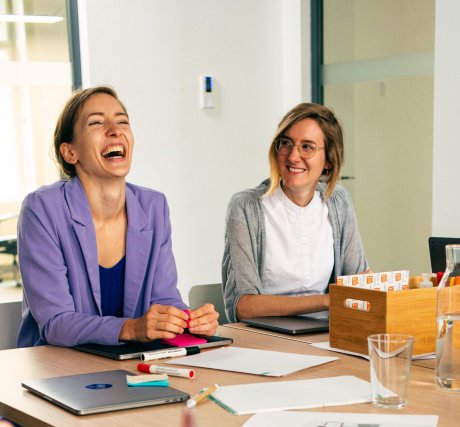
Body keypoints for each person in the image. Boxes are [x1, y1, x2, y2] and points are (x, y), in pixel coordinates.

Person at [17, 86, 218, 347]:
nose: (115, 130)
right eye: (97, 122)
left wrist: (188, 321)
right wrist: (131, 328)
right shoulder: (42, 209)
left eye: (122, 121)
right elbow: (56, 322)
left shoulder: (153, 206)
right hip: (58, 369)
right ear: (70, 152)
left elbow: (164, 300)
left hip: (134, 365)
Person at [222, 103, 369, 323]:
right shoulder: (245, 207)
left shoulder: (338, 201)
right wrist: (326, 301)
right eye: (286, 143)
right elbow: (243, 306)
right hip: (265, 338)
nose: (292, 156)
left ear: (328, 160)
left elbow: (358, 279)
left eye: (307, 147)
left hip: (326, 334)